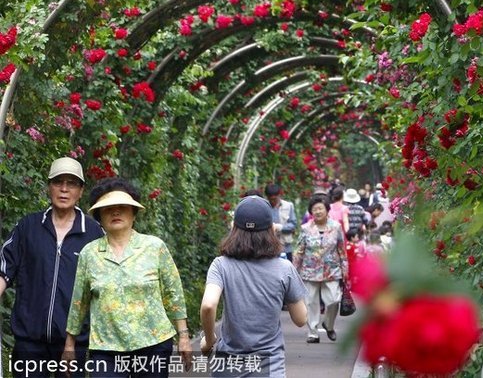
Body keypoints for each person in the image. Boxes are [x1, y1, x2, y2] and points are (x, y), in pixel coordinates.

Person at [63, 178, 192, 377]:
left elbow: (173, 293)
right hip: (106, 348)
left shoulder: (154, 247)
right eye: (108, 208)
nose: (115, 212)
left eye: (122, 207)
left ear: (133, 213)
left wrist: (183, 336)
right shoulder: (90, 253)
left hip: (153, 343)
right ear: (99, 216)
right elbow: (79, 302)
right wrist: (69, 344)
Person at [0, 157, 103, 378]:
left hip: (73, 344)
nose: (64, 189)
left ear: (81, 190)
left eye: (72, 183)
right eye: (58, 182)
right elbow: (4, 270)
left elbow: (106, 286)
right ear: (49, 186)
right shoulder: (28, 227)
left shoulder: (94, 234)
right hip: (29, 342)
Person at [200, 195, 307, 377]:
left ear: (234, 228)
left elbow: (208, 305)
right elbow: (300, 319)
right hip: (269, 365)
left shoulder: (221, 265)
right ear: (271, 229)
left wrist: (209, 341)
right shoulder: (284, 268)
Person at [293, 195, 347, 344]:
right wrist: (294, 271)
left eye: (320, 208)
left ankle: (329, 324)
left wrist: (345, 269)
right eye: (314, 209)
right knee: (310, 302)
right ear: (311, 212)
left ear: (327, 210)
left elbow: (341, 250)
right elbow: (299, 250)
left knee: (334, 300)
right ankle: (313, 332)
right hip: (310, 271)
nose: (317, 211)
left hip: (332, 270)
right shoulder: (305, 229)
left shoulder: (336, 227)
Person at [264, 184, 297, 260]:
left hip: (285, 247)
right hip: (268, 247)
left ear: (279, 195)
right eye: (270, 199)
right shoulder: (264, 207)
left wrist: (280, 227)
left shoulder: (288, 206)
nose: (273, 201)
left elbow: (293, 224)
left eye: (275, 199)